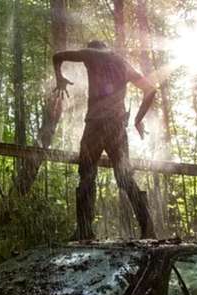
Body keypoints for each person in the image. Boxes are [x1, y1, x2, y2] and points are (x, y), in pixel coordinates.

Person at [53, 40, 157, 240]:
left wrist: (60, 79)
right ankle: (148, 228)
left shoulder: (92, 54)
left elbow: (57, 57)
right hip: (117, 127)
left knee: (87, 175)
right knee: (125, 178)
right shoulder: (122, 63)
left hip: (96, 126)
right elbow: (150, 90)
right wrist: (137, 120)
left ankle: (84, 230)